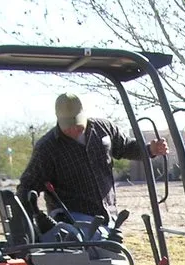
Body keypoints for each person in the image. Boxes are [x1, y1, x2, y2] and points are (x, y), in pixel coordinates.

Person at [18, 92, 169, 228]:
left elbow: (126, 147)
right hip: (72, 222)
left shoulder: (103, 129)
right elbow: (28, 187)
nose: (72, 130)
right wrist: (35, 221)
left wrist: (150, 149)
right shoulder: (48, 147)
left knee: (113, 254)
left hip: (108, 216)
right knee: (106, 256)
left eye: (77, 126)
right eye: (67, 127)